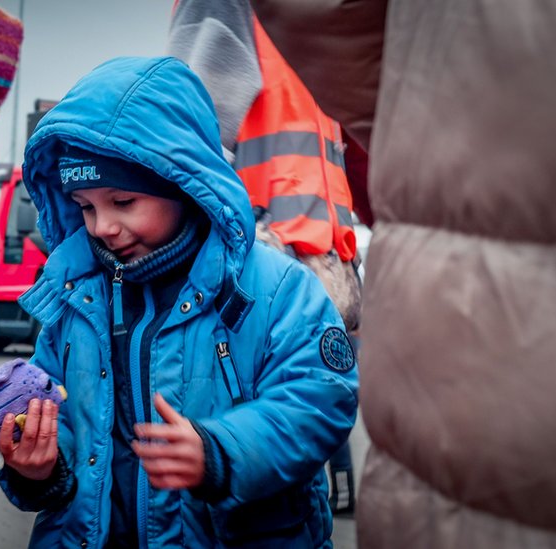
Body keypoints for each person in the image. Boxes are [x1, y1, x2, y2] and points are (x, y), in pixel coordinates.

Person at [250, 0, 556, 546]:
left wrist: (402, 149)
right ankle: (335, 489)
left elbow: (322, 25)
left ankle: (333, 490)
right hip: (329, 252)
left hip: (312, 251)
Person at [0, 56, 358, 548]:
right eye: (85, 207)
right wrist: (40, 466)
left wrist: (221, 452)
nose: (102, 226)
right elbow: (53, 402)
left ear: (184, 185)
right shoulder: (76, 292)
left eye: (123, 202)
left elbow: (321, 401)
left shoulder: (276, 289)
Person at [168, 0, 363, 515]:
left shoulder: (315, 16)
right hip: (263, 243)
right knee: (262, 402)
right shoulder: (236, 6)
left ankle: (323, 493)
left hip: (321, 248)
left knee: (312, 391)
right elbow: (190, 114)